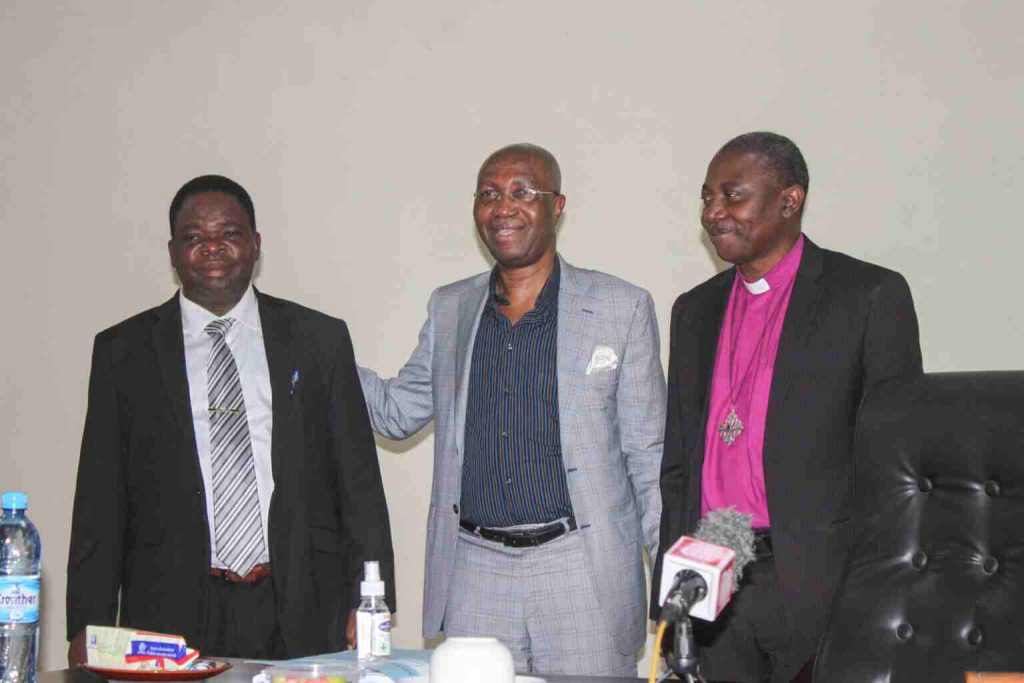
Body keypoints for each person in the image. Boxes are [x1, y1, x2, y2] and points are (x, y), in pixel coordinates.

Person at [358, 143, 665, 676]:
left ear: (557, 206)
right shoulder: (450, 307)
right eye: (489, 194)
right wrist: (322, 353)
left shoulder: (621, 307)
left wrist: (676, 581)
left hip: (580, 567)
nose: (504, 208)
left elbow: (648, 455)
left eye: (523, 193)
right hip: (475, 569)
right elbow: (396, 412)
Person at [66, 175, 395, 663]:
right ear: (173, 252)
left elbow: (359, 483)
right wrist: (86, 627)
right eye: (195, 237)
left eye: (230, 234)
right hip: (170, 607)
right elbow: (100, 501)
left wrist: (370, 600)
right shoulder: (123, 352)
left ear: (256, 245)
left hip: (302, 600)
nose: (213, 248)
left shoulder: (318, 339)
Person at [653, 132, 923, 682]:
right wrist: (671, 590)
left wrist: (888, 592)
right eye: (706, 197)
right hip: (715, 574)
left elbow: (900, 467)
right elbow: (679, 464)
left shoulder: (868, 296)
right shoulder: (694, 310)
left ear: (789, 199)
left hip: (821, 583)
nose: (714, 213)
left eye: (733, 196)